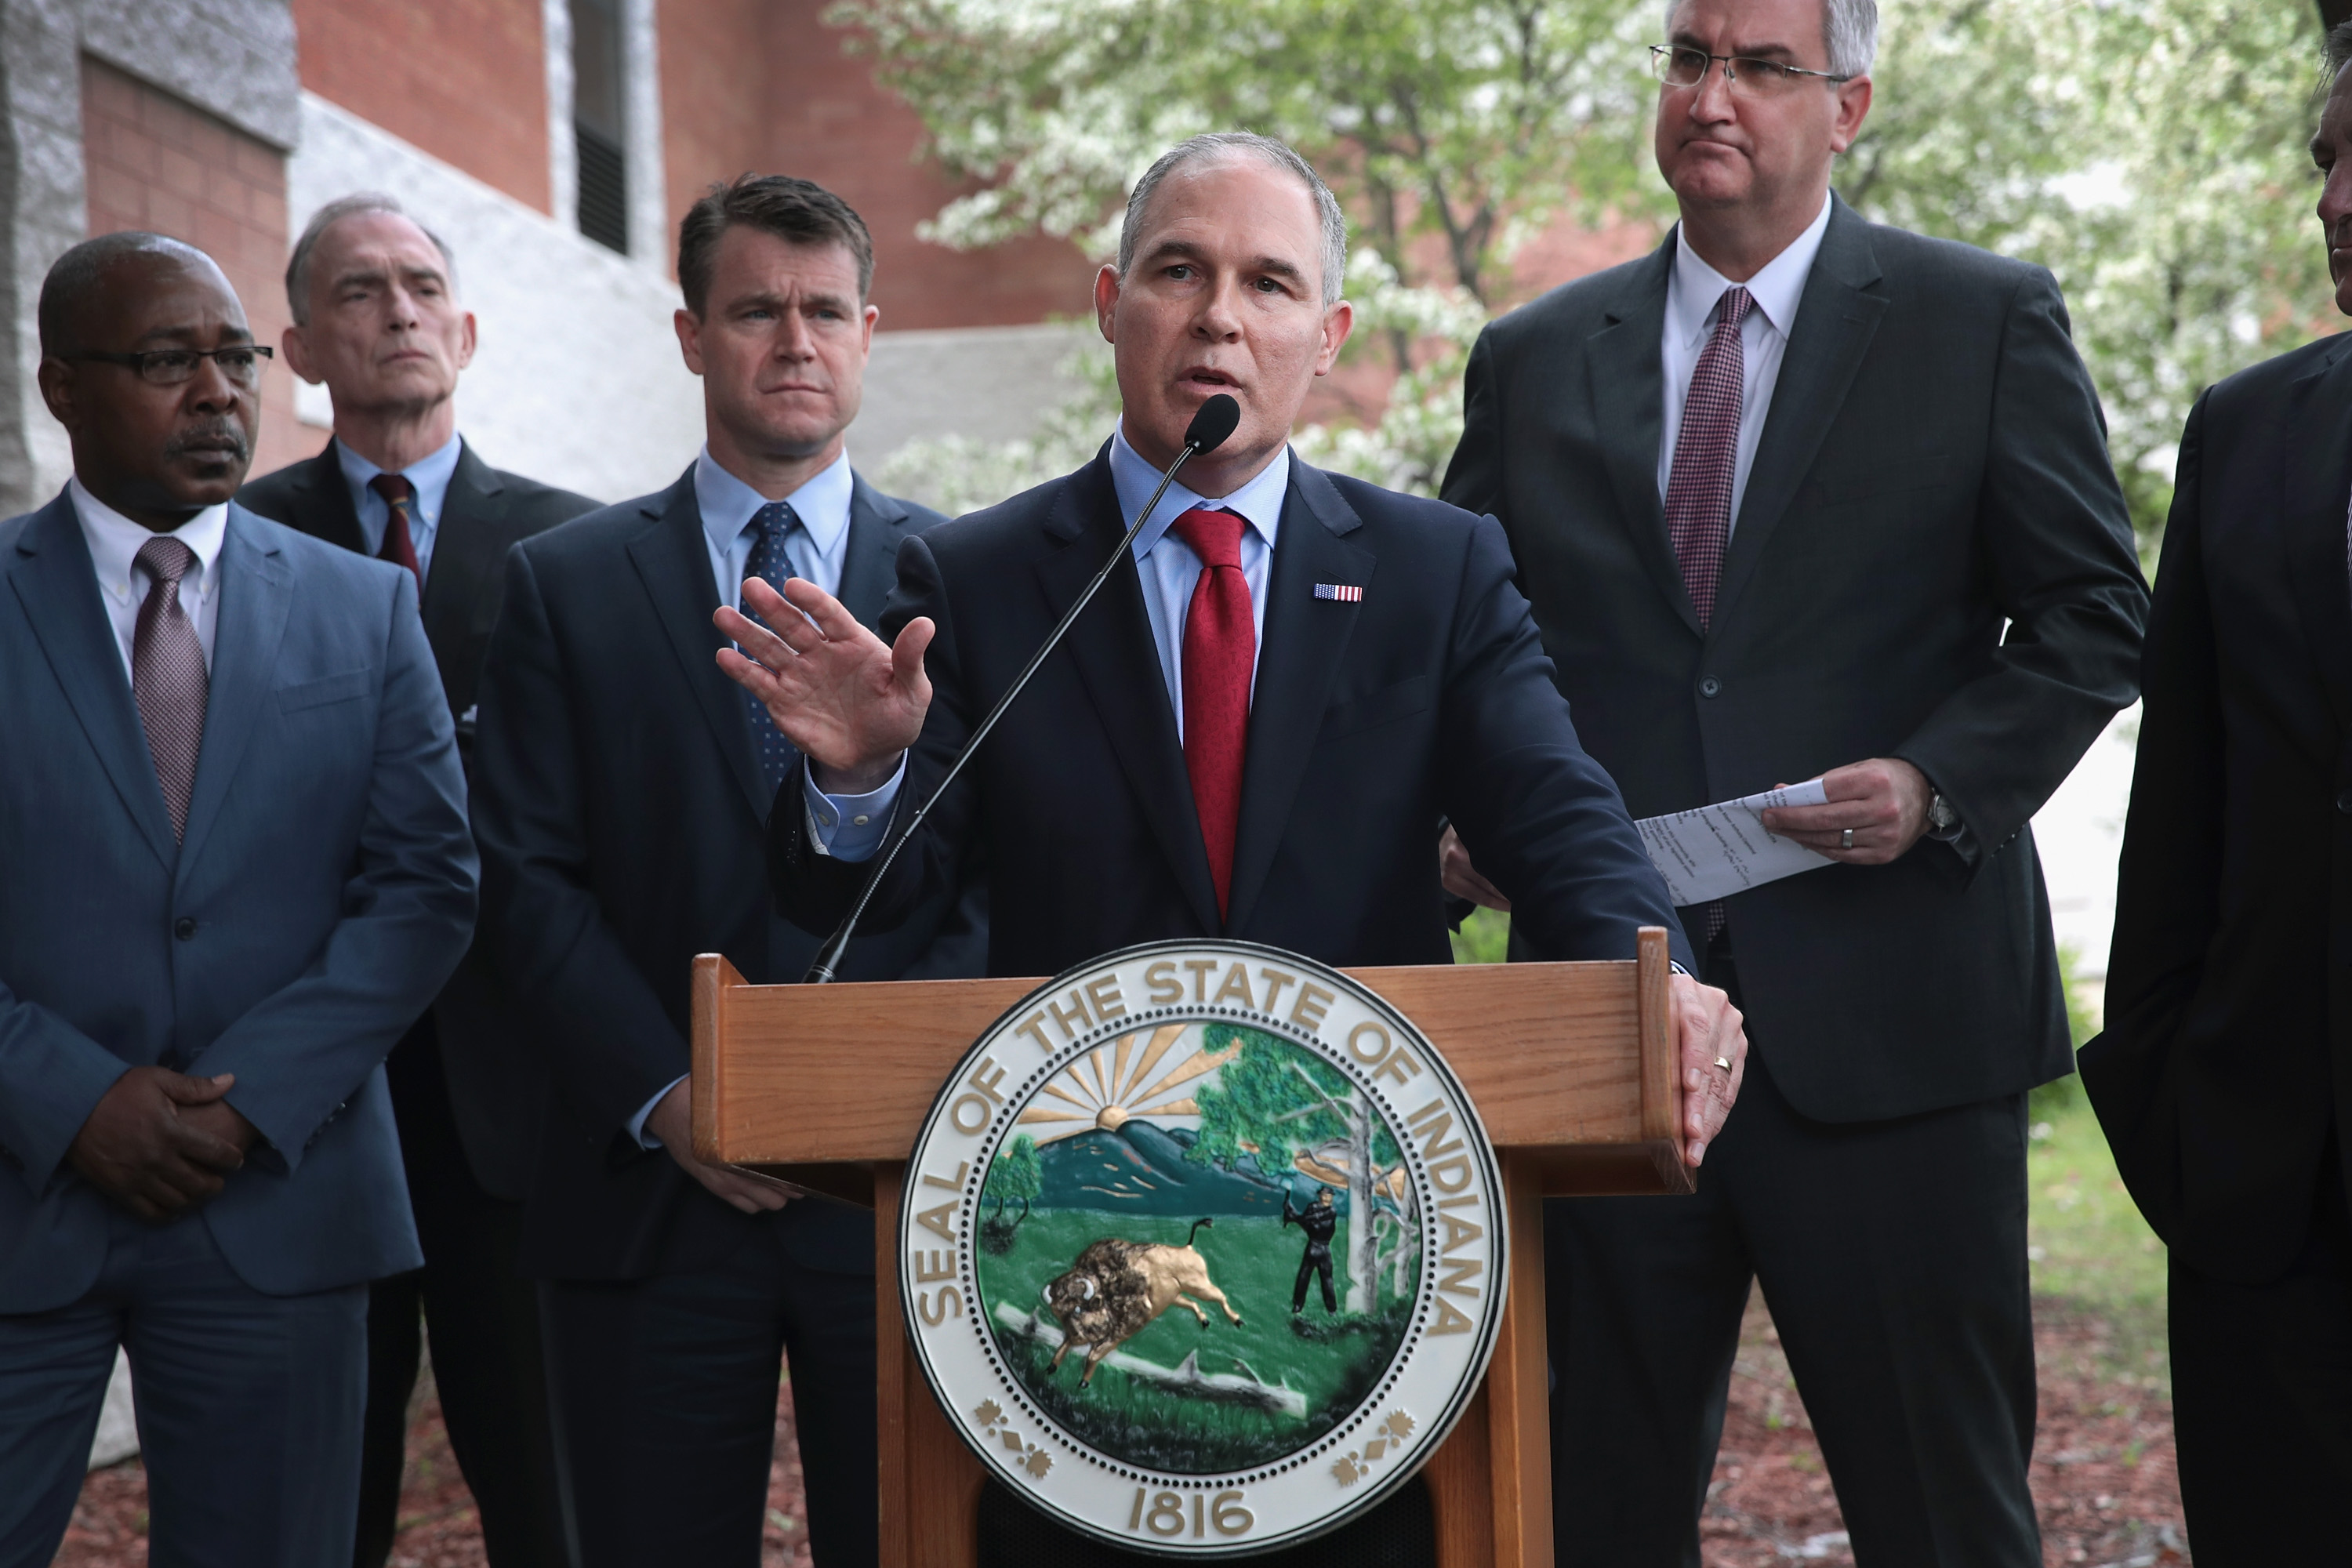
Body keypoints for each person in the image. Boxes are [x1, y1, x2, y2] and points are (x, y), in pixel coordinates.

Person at [720, 131, 1748, 1557]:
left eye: (1268, 284)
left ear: (1323, 338)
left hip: (1367, 1264)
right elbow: (893, 908)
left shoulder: (1435, 571)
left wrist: (1659, 981)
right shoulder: (975, 578)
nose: (1219, 316)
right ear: (1109, 302)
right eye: (1179, 271)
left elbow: (1560, 817)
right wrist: (866, 780)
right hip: (1068, 1259)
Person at [1436, 0, 2151, 1560]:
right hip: (1608, 1028)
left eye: (1763, 65)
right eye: (1690, 57)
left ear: (1850, 105)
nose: (1715, 93)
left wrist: (1934, 776)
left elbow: (2100, 616)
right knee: (1579, 1516)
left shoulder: (1982, 320)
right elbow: (1464, 656)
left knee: (1946, 1512)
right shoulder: (1536, 358)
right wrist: (1460, 824)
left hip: (1893, 1029)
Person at [468, 173, 984, 1568]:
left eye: (825, 311)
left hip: (890, 1195)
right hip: (642, 1188)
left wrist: (852, 1098)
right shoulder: (562, 582)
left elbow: (990, 883)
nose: (795, 341)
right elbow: (520, 875)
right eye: (757, 309)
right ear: (693, 334)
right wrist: (671, 1097)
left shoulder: (962, 578)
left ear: (869, 333)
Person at [0, 233, 475, 1566]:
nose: (216, 391)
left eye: (235, 356)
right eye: (166, 360)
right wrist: (75, 1099)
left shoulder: (369, 611)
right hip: (21, 1194)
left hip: (279, 1200)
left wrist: (250, 1100)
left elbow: (427, 890)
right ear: (62, 388)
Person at [236, 194, 596, 1568]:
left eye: (422, 285)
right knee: (320, 1499)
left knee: (546, 1494)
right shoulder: (234, 542)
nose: (397, 310)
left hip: (520, 1095)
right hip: (312, 1087)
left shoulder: (580, 554)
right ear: (301, 345)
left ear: (469, 327)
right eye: (359, 290)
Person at [2079, 24, 2352, 1559]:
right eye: (2325, 157)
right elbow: (2179, 808)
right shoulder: (2244, 432)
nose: (2339, 195)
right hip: (2266, 1186)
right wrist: (2169, 1090)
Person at [1284, 1187, 1339, 1316]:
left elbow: (1310, 1219)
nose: (1326, 1198)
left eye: (1329, 1196)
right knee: (1304, 1276)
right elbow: (1308, 1224)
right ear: (1320, 1196)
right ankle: (1298, 1305)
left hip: (1324, 1248)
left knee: (1327, 1279)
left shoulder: (1332, 1211)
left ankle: (1331, 1309)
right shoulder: (1312, 1207)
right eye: (1324, 1195)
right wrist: (1301, 1219)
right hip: (1313, 1246)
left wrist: (1295, 1217)